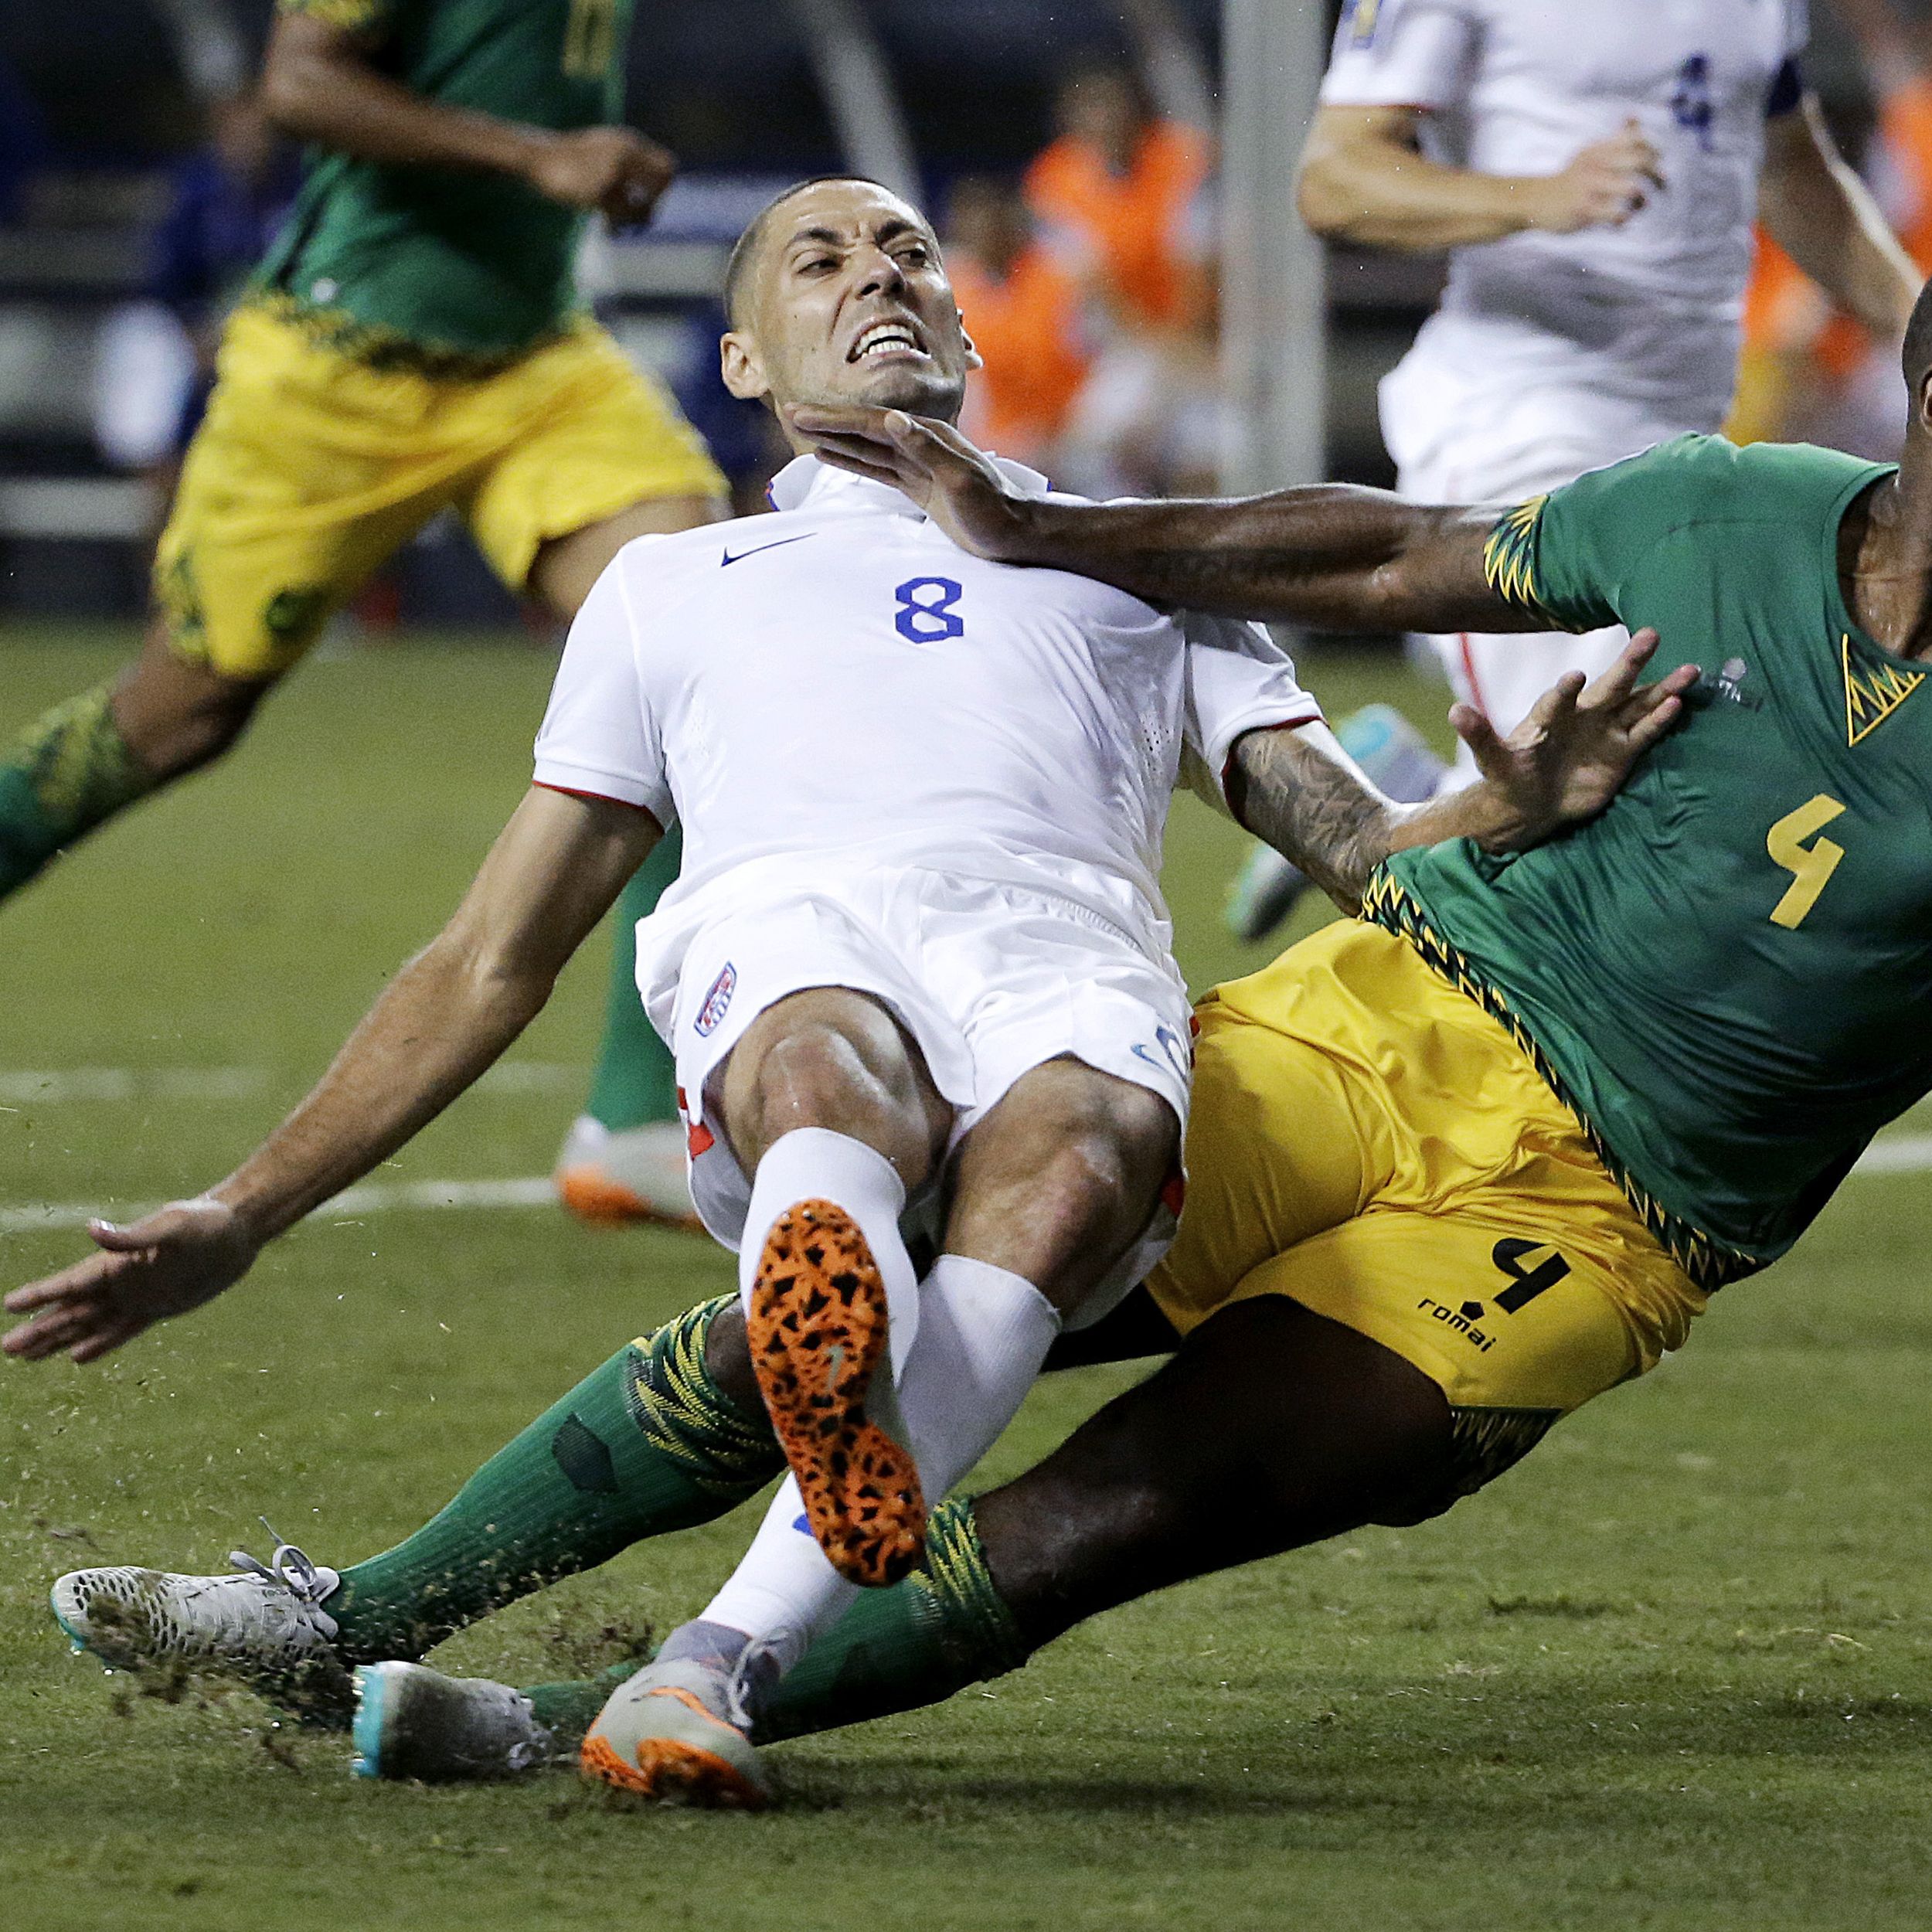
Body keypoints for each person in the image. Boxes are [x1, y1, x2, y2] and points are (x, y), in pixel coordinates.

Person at [1, 178, 1688, 1808]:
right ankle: (782, 1443)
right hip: (797, 936)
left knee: (1084, 1148)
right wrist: (247, 1205)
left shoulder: (1137, 561)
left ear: (963, 324)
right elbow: (487, 957)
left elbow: (1354, 842)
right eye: (814, 261)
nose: (873, 274)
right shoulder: (672, 586)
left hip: (1066, 964)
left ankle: (722, 1631)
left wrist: (1505, 809)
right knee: (828, 1059)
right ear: (742, 362)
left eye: (904, 252)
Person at [0, 0, 728, 1228]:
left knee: (703, 643)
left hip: (533, 358)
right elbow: (300, 81)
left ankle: (633, 1119)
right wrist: (539, 157)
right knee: (177, 716)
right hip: (342, 361)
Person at [1228, 0, 1924, 943]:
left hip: (1690, 459)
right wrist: (1534, 196)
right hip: (1520, 431)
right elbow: (1334, 178)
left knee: (1676, 785)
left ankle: (1408, 792)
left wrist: (1918, 315)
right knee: (1624, 807)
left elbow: (1794, 170)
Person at [1024, 59, 1220, 496]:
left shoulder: (1182, 156)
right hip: (1130, 343)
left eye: (1113, 105)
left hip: (1209, 334)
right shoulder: (1055, 179)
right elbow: (1096, 290)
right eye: (1089, 109)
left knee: (1211, 455)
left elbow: (1201, 265)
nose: (1104, 119)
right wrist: (1168, 350)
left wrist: (1188, 348)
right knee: (1090, 450)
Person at [944, 175, 1091, 473]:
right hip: (1004, 437)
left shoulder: (1059, 273)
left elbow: (1102, 362)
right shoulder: (953, 289)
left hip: (1076, 427)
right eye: (973, 228)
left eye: (992, 224)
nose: (985, 236)